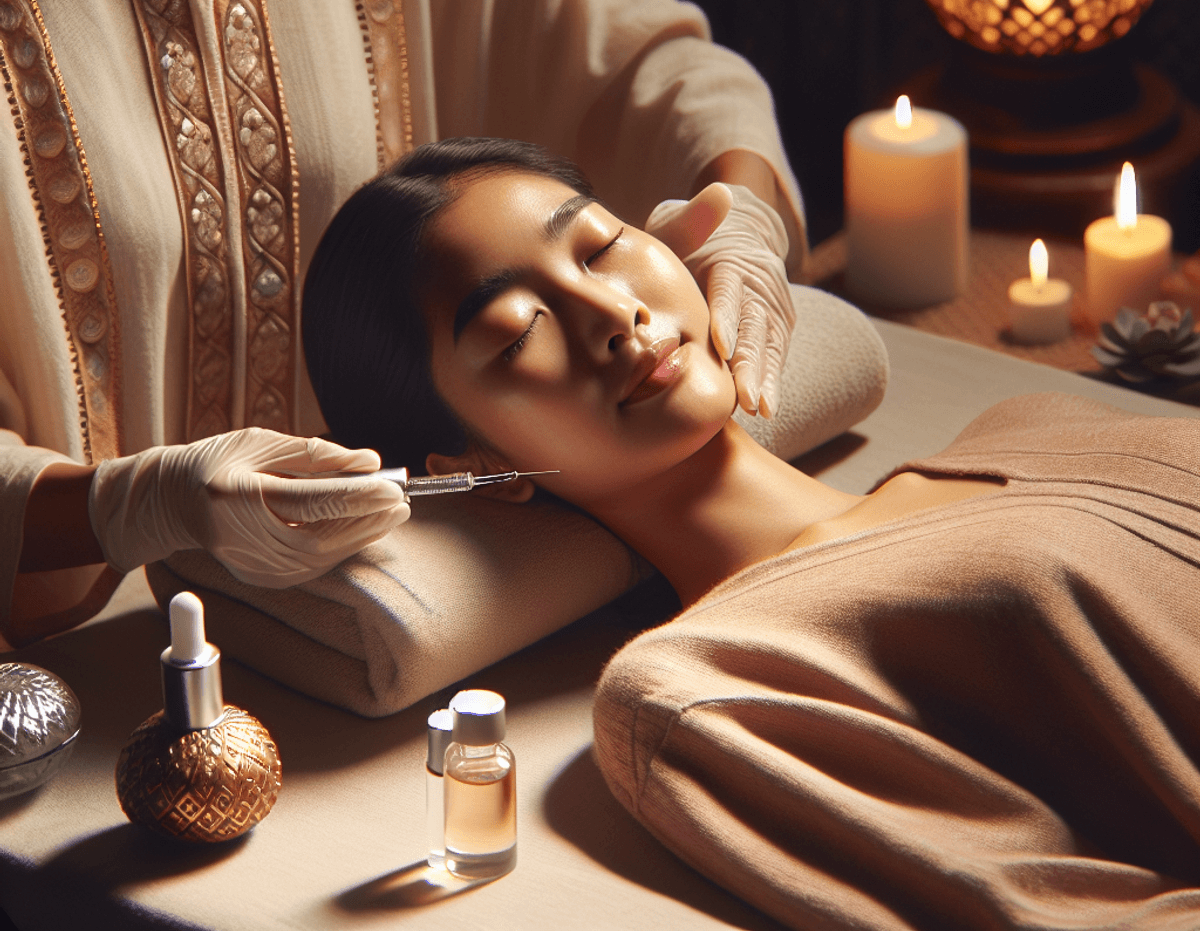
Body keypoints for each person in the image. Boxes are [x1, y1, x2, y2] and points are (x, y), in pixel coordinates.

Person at [0, 0, 804, 646]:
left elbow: (657, 72)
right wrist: (139, 506)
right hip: (72, 671)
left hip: (417, 608)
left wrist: (742, 223)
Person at [303, 137, 1200, 931]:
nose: (614, 315)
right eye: (517, 331)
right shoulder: (708, 692)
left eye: (604, 247)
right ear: (470, 460)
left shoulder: (1032, 419)